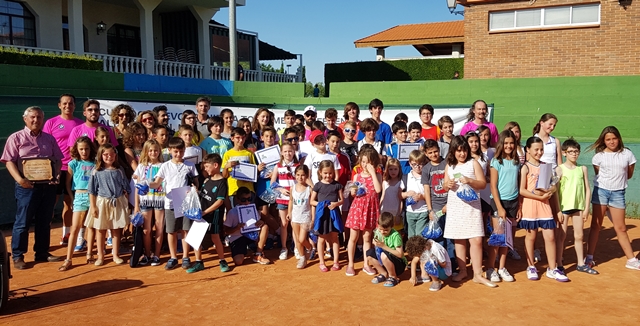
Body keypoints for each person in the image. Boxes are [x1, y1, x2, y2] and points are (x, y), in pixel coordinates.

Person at [2, 106, 64, 269]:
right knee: (23, 222)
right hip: (26, 187)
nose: (36, 120)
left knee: (44, 221)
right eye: (33, 117)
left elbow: (57, 160)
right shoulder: (16, 138)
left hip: (48, 186)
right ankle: (18, 256)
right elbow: (8, 161)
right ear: (25, 119)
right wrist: (20, 180)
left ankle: (42, 253)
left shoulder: (49, 139)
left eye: (39, 117)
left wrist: (56, 174)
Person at [442, 136, 495, 287]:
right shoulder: (449, 166)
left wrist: (469, 181)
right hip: (455, 206)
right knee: (459, 240)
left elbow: (483, 184)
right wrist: (448, 184)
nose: (462, 154)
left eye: (464, 150)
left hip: (472, 208)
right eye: (459, 151)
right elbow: (445, 186)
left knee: (476, 240)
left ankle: (477, 274)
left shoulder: (474, 163)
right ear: (453, 151)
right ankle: (463, 271)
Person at [586, 126, 638, 271]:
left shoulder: (627, 154)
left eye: (614, 138)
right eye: (608, 139)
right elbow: (599, 175)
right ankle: (589, 258)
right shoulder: (598, 157)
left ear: (619, 138)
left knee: (621, 227)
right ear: (604, 141)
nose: (612, 142)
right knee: (596, 226)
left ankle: (631, 260)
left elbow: (629, 174)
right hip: (601, 192)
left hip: (618, 194)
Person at [519, 137, 568, 282]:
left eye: (541, 149)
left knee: (550, 237)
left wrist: (551, 192)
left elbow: (553, 186)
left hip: (545, 206)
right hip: (530, 206)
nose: (539, 152)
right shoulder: (525, 167)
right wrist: (538, 196)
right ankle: (531, 266)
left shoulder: (547, 166)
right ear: (528, 150)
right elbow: (522, 190)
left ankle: (552, 268)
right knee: (531, 237)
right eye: (536, 149)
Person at [149, 137, 199, 270]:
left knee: (185, 230)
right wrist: (147, 184)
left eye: (181, 151)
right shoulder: (165, 166)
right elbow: (156, 183)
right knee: (171, 231)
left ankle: (185, 257)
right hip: (170, 202)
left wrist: (195, 188)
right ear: (169, 150)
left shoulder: (190, 165)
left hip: (186, 201)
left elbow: (196, 182)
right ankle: (173, 257)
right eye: (175, 151)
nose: (178, 154)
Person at [43, 94, 83, 246]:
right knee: (50, 203)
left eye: (71, 103)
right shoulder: (51, 123)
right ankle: (44, 237)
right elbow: (46, 145)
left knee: (69, 203)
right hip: (55, 169)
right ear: (59, 105)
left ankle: (66, 234)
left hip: (73, 170)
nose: (68, 106)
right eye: (65, 103)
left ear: (74, 105)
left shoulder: (79, 124)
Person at [556, 138, 596, 274]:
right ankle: (559, 263)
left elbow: (588, 189)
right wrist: (558, 210)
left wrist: (586, 209)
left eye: (576, 151)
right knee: (561, 236)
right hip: (564, 207)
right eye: (571, 151)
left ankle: (580, 263)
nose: (574, 154)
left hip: (578, 208)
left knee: (579, 236)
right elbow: (555, 191)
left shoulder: (582, 169)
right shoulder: (559, 169)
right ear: (564, 153)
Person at [85, 143, 130, 266]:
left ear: (115, 155)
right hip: (101, 203)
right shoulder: (96, 171)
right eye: (105, 154)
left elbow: (126, 186)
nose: (109, 157)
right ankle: (101, 256)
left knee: (116, 229)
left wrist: (126, 197)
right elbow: (92, 191)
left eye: (111, 154)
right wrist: (93, 206)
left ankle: (115, 255)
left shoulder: (119, 170)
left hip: (117, 202)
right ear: (101, 156)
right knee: (101, 230)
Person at [58, 137, 97, 271]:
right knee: (75, 228)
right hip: (79, 196)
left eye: (86, 148)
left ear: (90, 149)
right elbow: (67, 183)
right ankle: (68, 259)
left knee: (91, 227)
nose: (84, 151)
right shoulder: (73, 164)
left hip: (94, 197)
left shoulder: (96, 163)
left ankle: (90, 254)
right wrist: (72, 196)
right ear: (77, 149)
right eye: (81, 149)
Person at [486, 130, 520, 282]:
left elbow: (518, 184)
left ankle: (502, 267)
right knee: (498, 237)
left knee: (507, 239)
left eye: (511, 143)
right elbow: (493, 186)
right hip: (499, 202)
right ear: (501, 144)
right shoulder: (495, 161)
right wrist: (499, 207)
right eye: (506, 143)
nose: (509, 146)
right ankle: (490, 268)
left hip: (513, 202)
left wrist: (518, 205)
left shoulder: (516, 161)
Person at [345, 147, 382, 277]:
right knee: (353, 238)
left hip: (371, 210)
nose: (366, 165)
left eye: (369, 162)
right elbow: (352, 193)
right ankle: (350, 265)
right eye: (364, 162)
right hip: (358, 209)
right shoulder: (357, 176)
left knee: (367, 238)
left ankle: (366, 264)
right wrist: (354, 191)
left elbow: (378, 190)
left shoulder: (377, 175)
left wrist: (373, 173)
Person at [192, 154, 230, 273]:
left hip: (214, 215)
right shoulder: (207, 180)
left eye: (207, 166)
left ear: (215, 165)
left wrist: (205, 212)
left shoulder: (222, 182)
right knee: (196, 237)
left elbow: (220, 201)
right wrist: (195, 191)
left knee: (215, 237)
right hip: (202, 213)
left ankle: (222, 260)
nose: (205, 169)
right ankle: (199, 262)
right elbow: (202, 195)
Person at [421, 139, 455, 268]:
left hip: (450, 206)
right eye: (430, 153)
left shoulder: (447, 163)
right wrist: (430, 210)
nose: (434, 155)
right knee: (438, 238)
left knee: (451, 237)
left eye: (435, 151)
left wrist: (449, 204)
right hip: (435, 208)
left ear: (439, 150)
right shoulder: (426, 169)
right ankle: (441, 263)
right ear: (426, 153)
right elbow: (426, 190)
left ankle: (452, 263)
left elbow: (453, 185)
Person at [132, 139, 166, 267]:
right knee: (146, 230)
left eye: (156, 150)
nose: (153, 153)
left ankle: (156, 255)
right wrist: (136, 206)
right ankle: (147, 255)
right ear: (146, 152)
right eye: (150, 150)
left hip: (160, 200)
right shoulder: (141, 167)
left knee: (159, 228)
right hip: (145, 201)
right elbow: (137, 187)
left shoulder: (164, 166)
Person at [310, 160, 344, 272]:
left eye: (330, 173)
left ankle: (336, 262)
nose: (328, 175)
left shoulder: (337, 185)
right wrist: (321, 204)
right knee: (321, 239)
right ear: (320, 172)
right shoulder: (318, 185)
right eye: (325, 173)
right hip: (322, 216)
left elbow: (342, 200)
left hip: (334, 215)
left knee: (334, 238)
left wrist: (336, 204)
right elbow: (312, 201)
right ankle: (322, 262)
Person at [224, 187, 273, 266]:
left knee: (265, 226)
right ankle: (244, 251)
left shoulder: (252, 209)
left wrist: (261, 222)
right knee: (238, 261)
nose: (247, 202)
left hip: (251, 235)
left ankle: (258, 254)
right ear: (237, 200)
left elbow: (259, 223)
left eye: (249, 199)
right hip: (237, 237)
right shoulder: (232, 213)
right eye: (243, 200)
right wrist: (236, 228)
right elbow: (226, 230)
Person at [271, 143, 299, 260]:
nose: (288, 153)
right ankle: (284, 248)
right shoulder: (278, 166)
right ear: (281, 153)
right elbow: (273, 184)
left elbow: (301, 181)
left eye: (290, 151)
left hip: (296, 200)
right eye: (285, 151)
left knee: (294, 224)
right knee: (284, 224)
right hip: (282, 199)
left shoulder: (298, 166)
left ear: (294, 152)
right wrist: (281, 189)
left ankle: (297, 247)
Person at [367, 212, 407, 287]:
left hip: (398, 264)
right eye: (380, 229)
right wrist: (375, 242)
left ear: (392, 227)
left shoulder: (396, 236)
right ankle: (383, 273)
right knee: (369, 254)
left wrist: (383, 246)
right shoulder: (377, 232)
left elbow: (400, 254)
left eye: (386, 230)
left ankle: (393, 276)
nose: (382, 232)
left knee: (383, 255)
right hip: (384, 260)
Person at [288, 165, 314, 269]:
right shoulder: (292, 188)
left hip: (305, 216)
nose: (300, 177)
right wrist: (289, 213)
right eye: (298, 175)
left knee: (302, 238)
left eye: (303, 175)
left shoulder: (309, 189)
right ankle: (302, 258)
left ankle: (310, 248)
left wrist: (312, 218)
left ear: (307, 176)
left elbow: (312, 204)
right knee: (297, 240)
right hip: (295, 217)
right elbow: (291, 200)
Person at [222, 127, 257, 200]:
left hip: (248, 190)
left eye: (243, 138)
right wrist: (226, 167)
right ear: (232, 138)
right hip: (234, 190)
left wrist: (249, 178)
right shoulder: (227, 154)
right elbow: (224, 176)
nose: (241, 140)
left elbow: (254, 172)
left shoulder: (249, 153)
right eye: (238, 138)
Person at [401, 150, 428, 238]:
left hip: (423, 211)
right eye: (414, 164)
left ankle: (418, 251)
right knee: (411, 236)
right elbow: (400, 195)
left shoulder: (426, 176)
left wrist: (422, 197)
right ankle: (412, 251)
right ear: (410, 163)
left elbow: (429, 194)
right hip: (410, 212)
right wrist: (406, 194)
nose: (417, 167)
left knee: (420, 235)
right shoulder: (406, 177)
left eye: (420, 164)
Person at [380, 158, 404, 233]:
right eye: (390, 169)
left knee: (397, 233)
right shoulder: (385, 182)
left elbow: (401, 200)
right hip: (385, 212)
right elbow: (382, 196)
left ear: (399, 169)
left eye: (395, 169)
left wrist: (398, 214)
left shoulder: (401, 182)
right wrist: (379, 210)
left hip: (395, 213)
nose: (393, 171)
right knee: (385, 232)